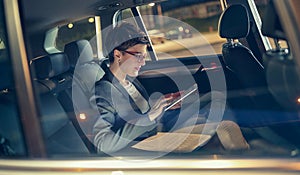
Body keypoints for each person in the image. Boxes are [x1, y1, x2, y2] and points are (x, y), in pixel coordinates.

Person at [91, 22, 249, 154]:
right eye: (139, 56)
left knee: (217, 98)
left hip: (159, 130)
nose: (143, 63)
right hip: (146, 145)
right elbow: (103, 144)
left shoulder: (130, 81)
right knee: (225, 129)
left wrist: (163, 104)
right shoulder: (103, 91)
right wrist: (150, 116)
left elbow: (141, 112)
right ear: (118, 55)